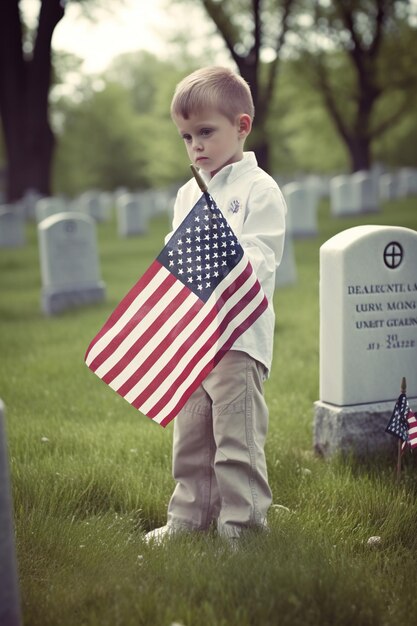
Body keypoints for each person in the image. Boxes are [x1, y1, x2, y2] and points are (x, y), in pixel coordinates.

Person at [145, 66, 286, 544]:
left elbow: (261, 260)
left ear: (241, 126)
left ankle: (242, 527)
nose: (196, 146)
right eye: (187, 137)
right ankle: (189, 518)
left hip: (237, 337)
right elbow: (177, 261)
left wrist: (217, 243)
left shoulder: (259, 189)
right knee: (191, 437)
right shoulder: (189, 193)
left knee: (235, 439)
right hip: (194, 335)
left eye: (206, 132)